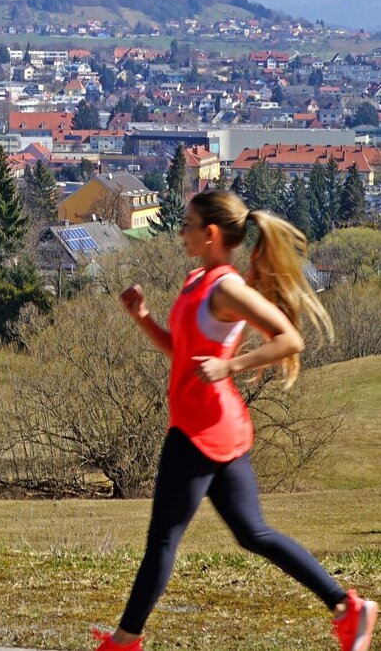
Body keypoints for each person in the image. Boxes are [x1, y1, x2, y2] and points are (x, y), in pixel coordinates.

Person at [94, 190, 376, 651]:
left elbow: (289, 339)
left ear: (209, 234)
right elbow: (182, 355)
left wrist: (231, 366)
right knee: (252, 533)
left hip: (199, 430)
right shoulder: (195, 282)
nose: (180, 231)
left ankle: (124, 642)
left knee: (162, 541)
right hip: (215, 427)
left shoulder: (226, 288)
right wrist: (143, 318)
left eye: (187, 224)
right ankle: (348, 607)